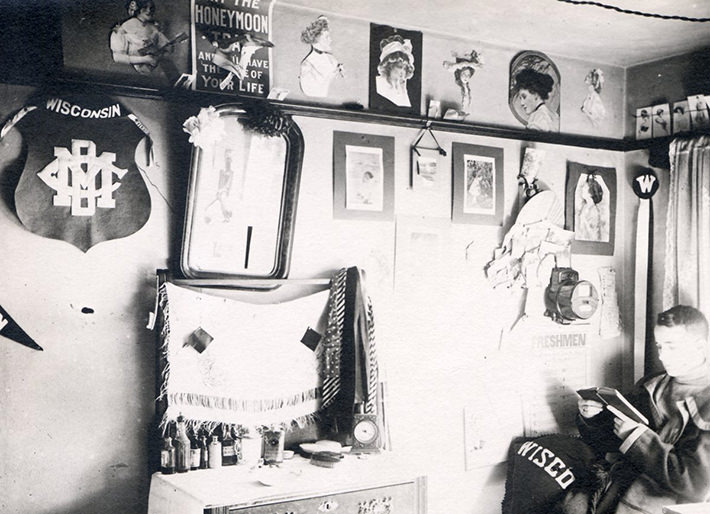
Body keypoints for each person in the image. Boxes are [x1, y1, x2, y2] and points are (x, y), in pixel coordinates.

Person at [577, 305, 710, 513]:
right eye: (659, 346)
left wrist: (636, 437)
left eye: (672, 346)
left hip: (668, 505)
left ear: (700, 347)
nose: (663, 356)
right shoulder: (652, 385)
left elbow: (695, 483)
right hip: (620, 490)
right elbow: (607, 441)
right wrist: (592, 418)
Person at [109, 0, 171, 75]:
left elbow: (167, 49)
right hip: (129, 74)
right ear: (137, 9)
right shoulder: (123, 28)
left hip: (155, 74)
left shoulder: (154, 28)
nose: (149, 11)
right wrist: (144, 59)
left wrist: (159, 55)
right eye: (144, 7)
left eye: (151, 8)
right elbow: (117, 57)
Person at [299, 16, 343, 98]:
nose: (330, 40)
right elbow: (312, 94)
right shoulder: (307, 65)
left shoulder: (332, 59)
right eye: (326, 37)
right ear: (316, 40)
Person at [375, 35, 415, 107]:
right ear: (389, 67)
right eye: (399, 67)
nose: (402, 71)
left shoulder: (402, 89)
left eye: (405, 68)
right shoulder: (379, 84)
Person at [575, 173, 608, 242]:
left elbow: (593, 234)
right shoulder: (584, 207)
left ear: (590, 192)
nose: (582, 188)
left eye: (585, 187)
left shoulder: (594, 211)